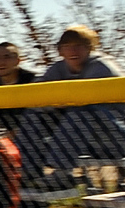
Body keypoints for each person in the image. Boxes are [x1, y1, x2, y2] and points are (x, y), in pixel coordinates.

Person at [17, 25, 125, 188]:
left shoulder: (101, 66)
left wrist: (56, 101)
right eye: (67, 47)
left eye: (78, 46)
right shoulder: (58, 69)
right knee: (33, 114)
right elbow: (37, 96)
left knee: (81, 112)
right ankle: (28, 173)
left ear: (89, 48)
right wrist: (54, 103)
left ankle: (61, 174)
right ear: (60, 51)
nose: (73, 51)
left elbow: (84, 99)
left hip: (114, 137)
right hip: (80, 142)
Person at [0, 42, 36, 135]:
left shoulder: (33, 82)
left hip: (29, 133)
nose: (1, 62)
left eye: (7, 57)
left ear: (18, 61)